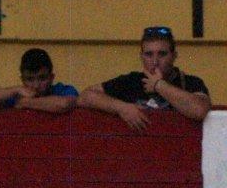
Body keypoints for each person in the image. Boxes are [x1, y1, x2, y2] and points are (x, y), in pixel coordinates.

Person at [79, 25, 210, 131]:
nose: (155, 61)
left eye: (162, 54)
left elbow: (199, 110)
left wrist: (159, 85)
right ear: (141, 57)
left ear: (174, 56)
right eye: (149, 54)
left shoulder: (191, 82)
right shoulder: (132, 81)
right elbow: (85, 96)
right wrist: (121, 108)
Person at [0, 47, 77, 113]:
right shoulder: (17, 94)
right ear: (22, 80)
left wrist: (25, 103)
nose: (36, 85)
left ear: (51, 77)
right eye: (30, 79)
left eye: (42, 78)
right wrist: (15, 90)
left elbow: (64, 104)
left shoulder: (63, 90)